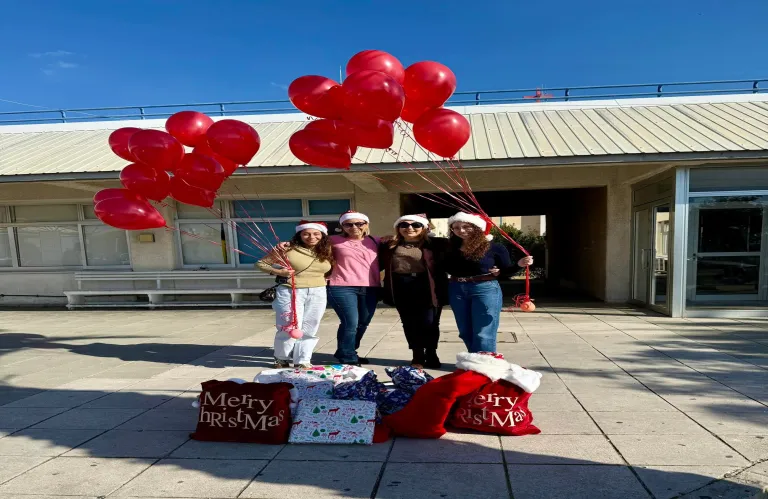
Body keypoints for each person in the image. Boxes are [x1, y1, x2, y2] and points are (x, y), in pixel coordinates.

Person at [445, 212, 533, 353]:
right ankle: (475, 361)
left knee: (484, 332)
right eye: (456, 227)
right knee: (465, 331)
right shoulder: (449, 247)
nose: (460, 230)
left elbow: (506, 271)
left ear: (477, 227)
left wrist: (519, 264)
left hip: (485, 289)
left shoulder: (495, 247)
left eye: (466, 226)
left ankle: (485, 366)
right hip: (457, 289)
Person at [257, 221, 333, 368]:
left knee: (311, 326)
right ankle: (281, 359)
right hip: (290, 291)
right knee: (289, 326)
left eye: (316, 233)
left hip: (318, 291)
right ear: (300, 234)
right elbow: (261, 263)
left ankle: (303, 360)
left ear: (322, 235)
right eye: (306, 233)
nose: (311, 237)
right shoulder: (286, 248)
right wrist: (279, 272)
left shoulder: (326, 250)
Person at [379, 214, 448, 369]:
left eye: (416, 225)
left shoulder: (436, 244)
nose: (409, 228)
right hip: (401, 285)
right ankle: (417, 354)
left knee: (430, 322)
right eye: (404, 225)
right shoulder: (389, 245)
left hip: (428, 285)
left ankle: (431, 353)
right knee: (409, 323)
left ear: (424, 227)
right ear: (398, 228)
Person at [326, 210, 381, 366]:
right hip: (341, 286)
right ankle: (348, 356)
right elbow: (309, 242)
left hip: (370, 287)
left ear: (366, 224)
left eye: (359, 223)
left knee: (363, 322)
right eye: (348, 224)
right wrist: (287, 244)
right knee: (350, 322)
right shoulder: (332, 240)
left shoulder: (376, 241)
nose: (354, 227)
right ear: (342, 226)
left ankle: (347, 350)